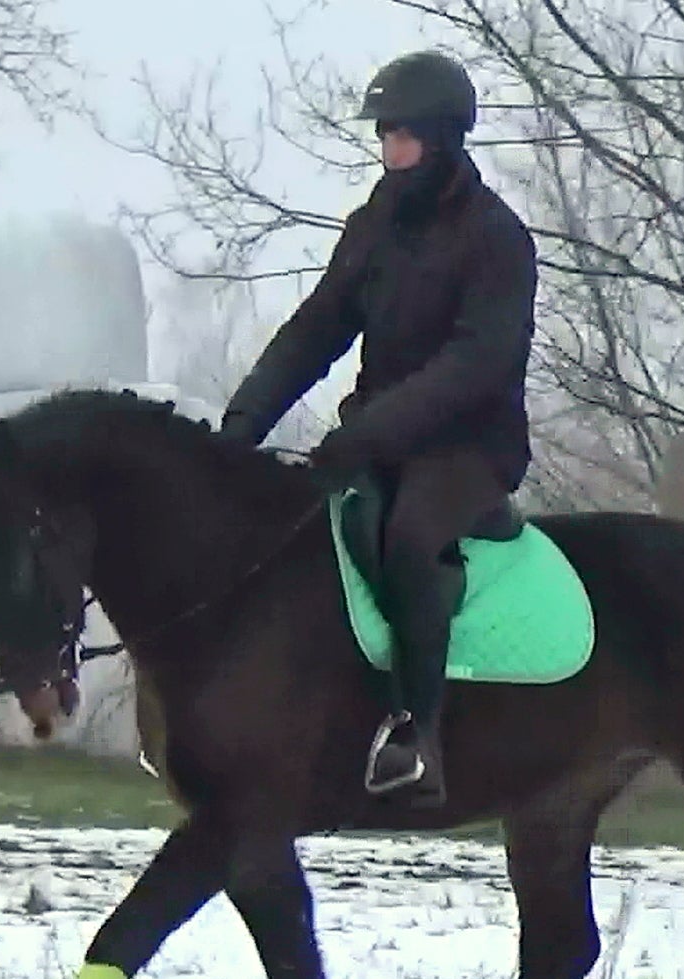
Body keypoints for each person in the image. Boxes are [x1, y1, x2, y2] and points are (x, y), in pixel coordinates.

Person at [217, 49, 538, 808]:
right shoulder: (375, 226)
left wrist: (374, 432)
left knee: (406, 533)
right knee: (313, 528)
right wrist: (240, 427)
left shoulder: (498, 238)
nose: (390, 150)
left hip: (469, 448)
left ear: (443, 140)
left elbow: (476, 363)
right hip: (378, 435)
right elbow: (316, 330)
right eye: (384, 136)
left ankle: (414, 735)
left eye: (403, 137)